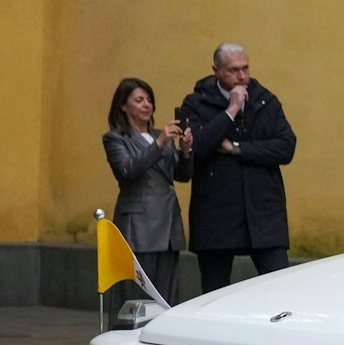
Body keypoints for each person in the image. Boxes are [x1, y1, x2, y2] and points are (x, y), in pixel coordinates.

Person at [178, 42, 298, 291]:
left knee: (281, 287)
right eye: (234, 70)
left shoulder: (265, 100)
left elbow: (286, 147)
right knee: (214, 293)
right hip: (216, 214)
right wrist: (231, 110)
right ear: (216, 70)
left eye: (245, 68)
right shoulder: (196, 103)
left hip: (263, 212)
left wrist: (237, 149)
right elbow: (199, 145)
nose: (242, 76)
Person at [101, 78, 193, 314]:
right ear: (123, 105)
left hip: (168, 225)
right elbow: (127, 170)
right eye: (139, 100)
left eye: (149, 100)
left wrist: (184, 150)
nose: (146, 105)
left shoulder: (158, 135)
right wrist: (160, 142)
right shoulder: (116, 138)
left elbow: (182, 175)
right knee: (136, 297)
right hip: (139, 226)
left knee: (166, 296)